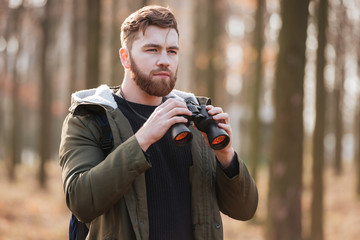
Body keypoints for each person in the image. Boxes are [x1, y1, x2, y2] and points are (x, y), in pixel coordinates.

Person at [59, 5, 258, 240]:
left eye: (172, 51)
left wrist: (226, 156)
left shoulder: (194, 116)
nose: (164, 60)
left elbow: (245, 209)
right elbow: (80, 202)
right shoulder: (90, 117)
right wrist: (143, 139)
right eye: (152, 50)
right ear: (125, 57)